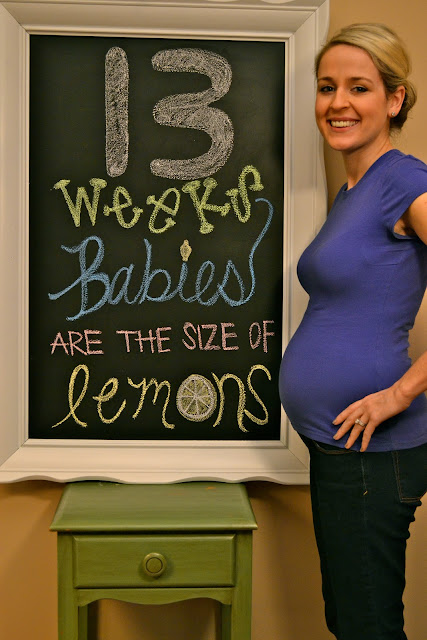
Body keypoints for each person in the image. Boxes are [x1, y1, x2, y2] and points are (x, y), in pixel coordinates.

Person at [279, 23, 427, 640]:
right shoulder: (353, 191)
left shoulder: (404, 180)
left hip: (374, 453)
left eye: (359, 87)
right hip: (340, 449)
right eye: (326, 87)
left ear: (394, 99)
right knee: (350, 620)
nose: (338, 103)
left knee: (367, 626)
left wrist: (399, 394)